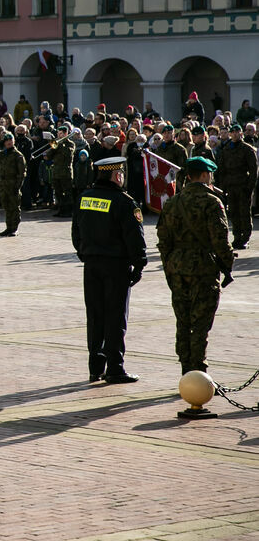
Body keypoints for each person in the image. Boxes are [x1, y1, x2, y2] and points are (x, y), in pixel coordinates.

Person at [155, 156, 235, 375]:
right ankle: (198, 373)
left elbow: (163, 241)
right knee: (200, 324)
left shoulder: (172, 202)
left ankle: (185, 369)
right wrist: (227, 264)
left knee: (183, 321)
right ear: (205, 175)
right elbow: (220, 240)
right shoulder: (212, 202)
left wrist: (169, 268)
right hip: (203, 269)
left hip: (177, 268)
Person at [70, 157, 146, 383]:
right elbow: (134, 238)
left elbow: (76, 232)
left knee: (95, 316)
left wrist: (85, 253)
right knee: (115, 317)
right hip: (116, 266)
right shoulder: (124, 202)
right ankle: (115, 367)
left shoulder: (85, 197)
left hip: (91, 264)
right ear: (116, 176)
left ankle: (95, 367)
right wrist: (139, 264)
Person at [214, 124, 257, 250]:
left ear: (241, 133)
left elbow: (253, 170)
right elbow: (221, 169)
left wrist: (250, 187)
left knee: (244, 212)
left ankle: (245, 238)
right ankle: (237, 236)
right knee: (233, 212)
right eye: (232, 132)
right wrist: (223, 187)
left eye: (237, 132)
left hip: (243, 185)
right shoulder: (226, 149)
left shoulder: (247, 149)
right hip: (230, 185)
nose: (235, 134)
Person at [0, 132, 26, 237]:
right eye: (6, 141)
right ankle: (8, 227)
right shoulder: (2, 153)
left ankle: (14, 228)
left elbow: (21, 173)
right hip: (3, 183)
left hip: (13, 183)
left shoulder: (18, 155)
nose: (9, 142)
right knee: (6, 206)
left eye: (10, 140)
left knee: (14, 206)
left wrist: (17, 186)